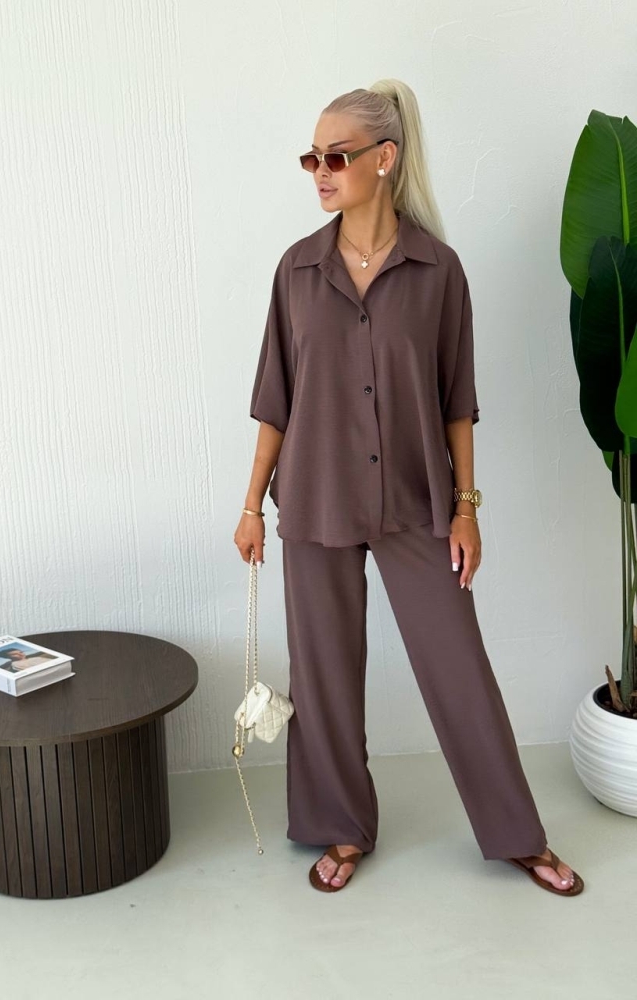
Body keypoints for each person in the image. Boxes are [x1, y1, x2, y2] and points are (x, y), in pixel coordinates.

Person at [234, 79, 583, 897]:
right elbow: (275, 398)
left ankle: (518, 835)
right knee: (324, 673)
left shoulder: (438, 272)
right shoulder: (297, 271)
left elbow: (458, 402)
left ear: (383, 159)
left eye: (336, 157)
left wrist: (467, 509)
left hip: (417, 499)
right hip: (316, 497)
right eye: (311, 159)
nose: (320, 172)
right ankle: (340, 826)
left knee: (459, 667)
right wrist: (250, 506)